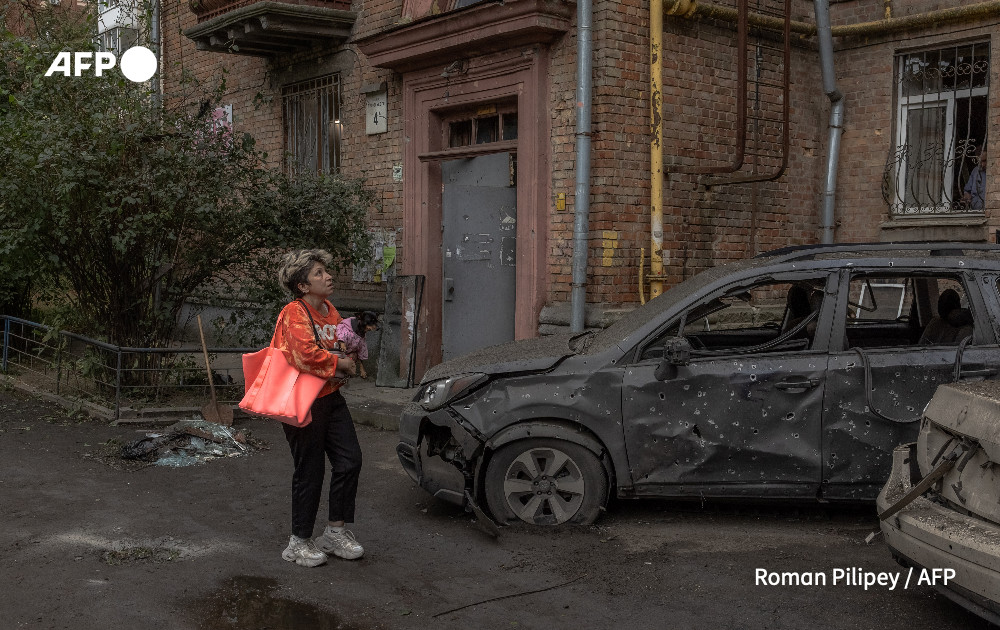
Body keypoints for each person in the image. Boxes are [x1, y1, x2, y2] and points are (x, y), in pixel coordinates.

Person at [274, 249, 365, 567]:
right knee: (310, 470)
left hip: (330, 397)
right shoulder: (293, 313)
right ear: (302, 285)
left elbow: (343, 342)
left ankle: (334, 533)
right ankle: (298, 543)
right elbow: (304, 356)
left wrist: (352, 353)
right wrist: (341, 362)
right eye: (318, 273)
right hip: (302, 399)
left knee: (350, 460)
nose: (328, 277)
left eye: (326, 271)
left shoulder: (329, 309)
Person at [334, 311, 380, 380]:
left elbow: (361, 350)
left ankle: (348, 372)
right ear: (361, 319)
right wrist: (342, 342)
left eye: (375, 323)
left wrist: (362, 368)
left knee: (355, 354)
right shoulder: (347, 329)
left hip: (348, 354)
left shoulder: (362, 336)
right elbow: (340, 333)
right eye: (371, 323)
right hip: (337, 352)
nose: (375, 326)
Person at [962, 145, 987, 210]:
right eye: (979, 162)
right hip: (976, 211)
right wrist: (967, 197)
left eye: (984, 161)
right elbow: (968, 191)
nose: (982, 164)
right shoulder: (975, 171)